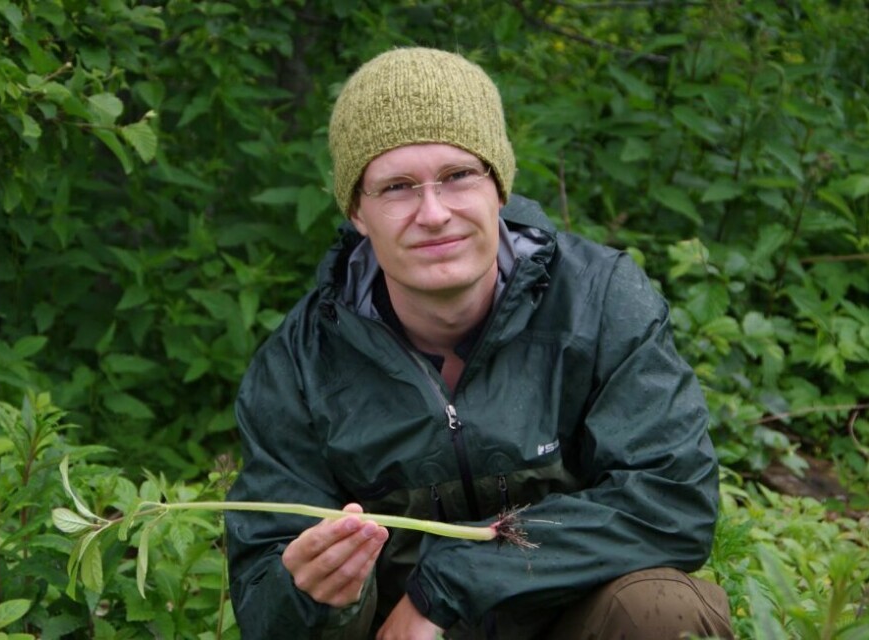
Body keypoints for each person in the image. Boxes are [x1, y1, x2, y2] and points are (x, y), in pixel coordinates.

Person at [225, 47, 733, 639]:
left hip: (561, 620)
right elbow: (262, 606)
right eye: (396, 187)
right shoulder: (300, 364)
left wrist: (449, 584)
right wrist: (310, 596)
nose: (433, 213)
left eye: (458, 176)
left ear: (499, 187)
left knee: (663, 612)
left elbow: (673, 501)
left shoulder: (599, 301)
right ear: (358, 212)